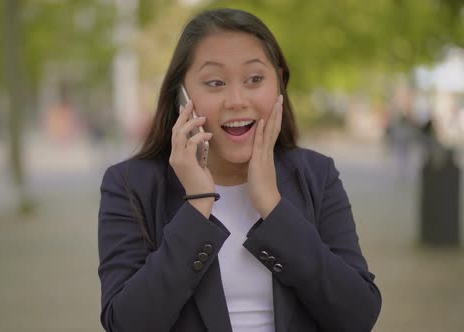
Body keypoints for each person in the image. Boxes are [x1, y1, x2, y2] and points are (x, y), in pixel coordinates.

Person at [98, 8, 381, 332]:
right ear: (182, 96)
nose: (236, 100)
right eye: (215, 82)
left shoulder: (317, 175)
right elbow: (127, 324)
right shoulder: (130, 185)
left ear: (279, 84)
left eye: (255, 79)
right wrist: (198, 204)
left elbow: (358, 315)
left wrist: (273, 208)